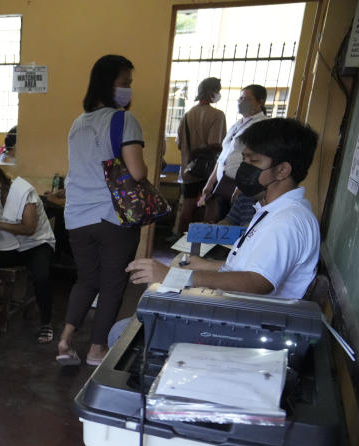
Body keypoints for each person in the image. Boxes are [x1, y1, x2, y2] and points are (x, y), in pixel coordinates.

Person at [127, 118, 319, 299]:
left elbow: (257, 282)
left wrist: (174, 275)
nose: (244, 168)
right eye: (244, 160)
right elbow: (250, 266)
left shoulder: (287, 221)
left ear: (282, 170)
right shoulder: (273, 210)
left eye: (253, 162)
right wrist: (208, 266)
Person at [57, 54, 147, 367]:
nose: (129, 90)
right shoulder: (123, 119)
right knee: (111, 285)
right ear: (108, 84)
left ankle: (65, 341)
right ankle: (96, 350)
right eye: (125, 83)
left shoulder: (77, 123)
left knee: (86, 281)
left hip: (77, 215)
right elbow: (135, 172)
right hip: (113, 216)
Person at [0, 164, 56, 342]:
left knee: (41, 277)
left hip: (37, 244)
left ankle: (46, 323)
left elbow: (29, 228)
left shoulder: (24, 192)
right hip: (12, 245)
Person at [200, 84, 268, 223]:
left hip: (242, 188)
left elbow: (258, 159)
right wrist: (210, 182)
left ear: (260, 102)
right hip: (224, 184)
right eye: (240, 98)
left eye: (246, 99)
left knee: (237, 225)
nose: (241, 102)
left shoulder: (262, 125)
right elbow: (223, 156)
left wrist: (243, 185)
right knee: (220, 222)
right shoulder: (236, 125)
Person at [173, 77, 226, 236]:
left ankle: (180, 240)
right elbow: (215, 143)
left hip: (188, 170)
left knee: (187, 206)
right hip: (208, 171)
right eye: (218, 91)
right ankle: (202, 243)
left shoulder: (188, 114)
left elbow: (179, 143)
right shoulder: (217, 115)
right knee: (208, 205)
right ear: (212, 92)